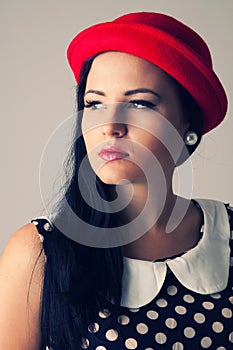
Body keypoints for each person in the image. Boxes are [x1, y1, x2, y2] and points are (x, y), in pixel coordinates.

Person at [0, 11, 232, 350]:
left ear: (187, 126)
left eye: (139, 103)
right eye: (94, 103)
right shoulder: (39, 253)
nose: (110, 125)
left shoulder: (226, 236)